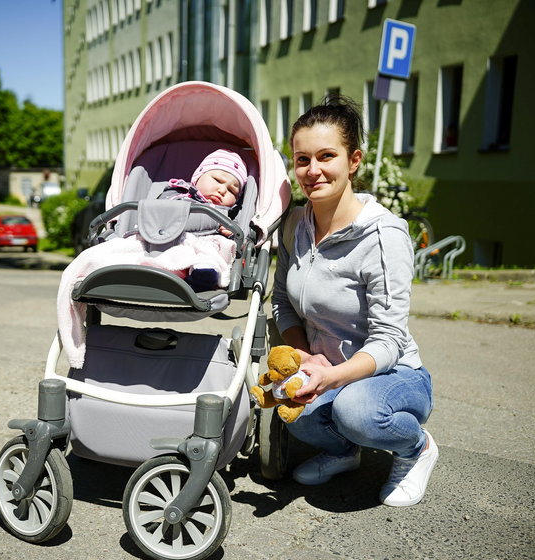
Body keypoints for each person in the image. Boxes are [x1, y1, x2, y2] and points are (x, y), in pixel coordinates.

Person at [271, 95, 437, 507]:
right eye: (302, 159)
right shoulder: (294, 224)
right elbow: (281, 302)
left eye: (326, 156)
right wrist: (306, 358)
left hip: (393, 375)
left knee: (355, 412)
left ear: (354, 160)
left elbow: (388, 340)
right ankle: (345, 452)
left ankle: (416, 449)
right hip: (326, 367)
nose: (312, 171)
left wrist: (334, 376)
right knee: (289, 408)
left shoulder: (384, 236)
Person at [158, 148, 248, 288]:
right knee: (131, 243)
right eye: (217, 180)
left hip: (202, 248)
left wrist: (231, 234)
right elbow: (160, 213)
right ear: (197, 177)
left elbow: (237, 243)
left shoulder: (229, 215)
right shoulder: (176, 193)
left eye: (232, 191)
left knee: (212, 254)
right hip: (166, 242)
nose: (222, 190)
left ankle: (203, 276)